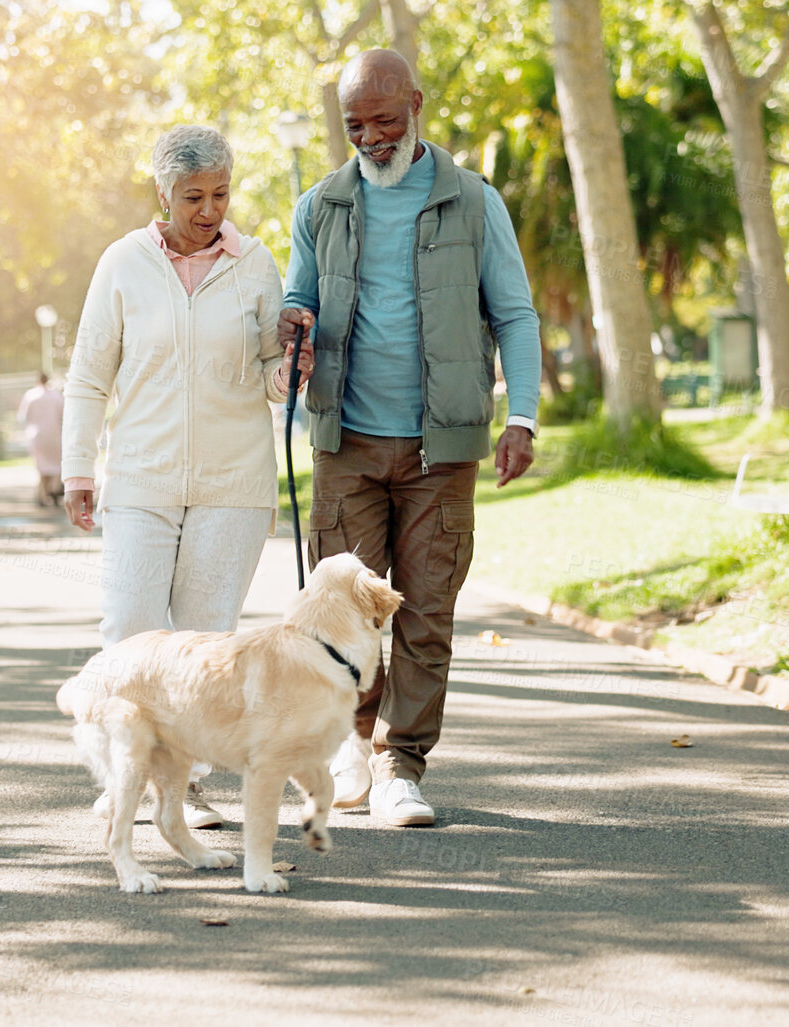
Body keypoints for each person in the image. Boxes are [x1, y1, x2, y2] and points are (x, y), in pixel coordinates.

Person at [279, 49, 541, 828]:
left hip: (441, 444)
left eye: (385, 121)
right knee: (341, 616)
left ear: (416, 106)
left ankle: (400, 764)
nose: (370, 138)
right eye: (355, 125)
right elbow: (299, 296)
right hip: (345, 439)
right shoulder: (318, 205)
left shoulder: (472, 200)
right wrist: (292, 322)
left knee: (425, 608)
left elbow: (515, 314)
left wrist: (519, 415)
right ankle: (350, 744)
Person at [61, 124, 291, 830]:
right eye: (193, 196)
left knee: (200, 648)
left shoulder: (255, 265)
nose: (209, 209)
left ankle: (180, 789)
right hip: (141, 477)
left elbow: (269, 378)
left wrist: (287, 362)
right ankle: (122, 779)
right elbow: (89, 373)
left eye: (220, 194)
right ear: (162, 194)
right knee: (130, 631)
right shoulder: (123, 262)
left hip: (233, 482)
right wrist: (77, 469)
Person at [18, 372, 65, 507]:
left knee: (42, 466)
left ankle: (43, 493)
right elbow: (63, 415)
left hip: (37, 435)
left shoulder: (31, 396)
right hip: (54, 434)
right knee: (56, 465)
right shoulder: (56, 396)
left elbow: (23, 417)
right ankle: (54, 489)